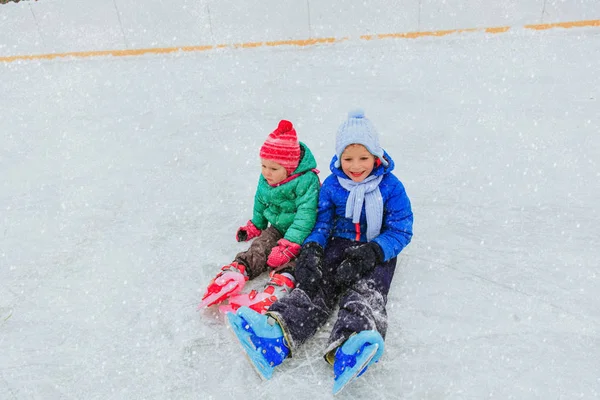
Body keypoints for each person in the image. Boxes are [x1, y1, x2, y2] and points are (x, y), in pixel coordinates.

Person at [227, 109, 414, 392]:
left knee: (366, 290)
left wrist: (373, 252)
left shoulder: (391, 187)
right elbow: (322, 222)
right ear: (338, 158)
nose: (356, 165)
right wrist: (313, 249)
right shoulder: (331, 186)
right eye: (348, 158)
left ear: (376, 156)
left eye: (363, 158)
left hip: (376, 249)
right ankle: (275, 336)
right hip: (336, 244)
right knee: (315, 286)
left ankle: (353, 341)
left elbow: (401, 229)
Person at [199, 120, 320, 314]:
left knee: (296, 258)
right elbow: (260, 201)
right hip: (279, 225)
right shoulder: (266, 178)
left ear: (289, 168)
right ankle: (240, 268)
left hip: (304, 231)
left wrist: (289, 244)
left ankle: (282, 281)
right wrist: (256, 224)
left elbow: (307, 215)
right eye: (263, 166)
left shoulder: (307, 181)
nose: (266, 172)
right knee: (261, 245)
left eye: (273, 169)